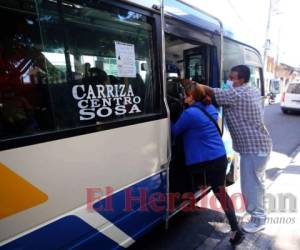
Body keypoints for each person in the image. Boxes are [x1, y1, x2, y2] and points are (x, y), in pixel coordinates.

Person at [196, 65, 272, 233]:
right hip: (259, 147)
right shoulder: (250, 90)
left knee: (251, 185)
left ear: (242, 80)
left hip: (254, 149)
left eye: (232, 78)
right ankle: (258, 214)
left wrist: (194, 85)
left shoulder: (237, 93)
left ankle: (258, 220)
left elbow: (212, 92)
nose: (228, 80)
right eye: (229, 76)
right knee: (257, 183)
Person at [171, 80, 244, 245]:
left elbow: (174, 131)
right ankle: (235, 229)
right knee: (221, 193)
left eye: (185, 95)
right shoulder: (210, 107)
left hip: (205, 160)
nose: (183, 97)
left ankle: (182, 199)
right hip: (219, 157)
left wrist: (172, 116)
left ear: (191, 96)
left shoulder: (189, 113)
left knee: (177, 168)